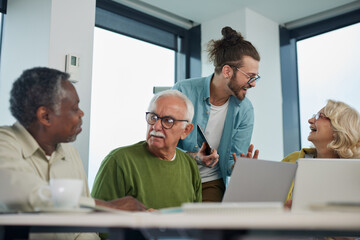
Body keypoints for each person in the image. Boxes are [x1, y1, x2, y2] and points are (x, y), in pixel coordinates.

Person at [0, 67, 146, 240]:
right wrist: (108, 208)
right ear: (45, 116)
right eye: (75, 108)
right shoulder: (5, 144)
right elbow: (31, 197)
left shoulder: (71, 155)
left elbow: (83, 229)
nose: (81, 113)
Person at [172, 26, 260, 202]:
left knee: (212, 227)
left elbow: (229, 164)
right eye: (250, 76)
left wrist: (239, 167)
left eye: (255, 77)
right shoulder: (183, 91)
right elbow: (166, 145)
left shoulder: (245, 110)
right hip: (176, 175)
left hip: (212, 182)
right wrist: (195, 157)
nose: (253, 84)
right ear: (227, 71)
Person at [91, 90, 202, 209]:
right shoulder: (119, 161)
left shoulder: (189, 165)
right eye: (153, 117)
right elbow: (94, 216)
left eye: (167, 121)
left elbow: (195, 219)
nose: (156, 126)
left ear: (186, 130)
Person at [282, 99, 360, 207]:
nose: (310, 120)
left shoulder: (355, 172)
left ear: (339, 127)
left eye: (319, 116)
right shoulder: (291, 160)